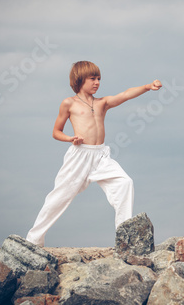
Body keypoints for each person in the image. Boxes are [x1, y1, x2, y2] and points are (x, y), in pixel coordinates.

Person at [26, 61, 162, 246]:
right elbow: (56, 132)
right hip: (79, 156)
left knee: (124, 183)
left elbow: (124, 95)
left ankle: (124, 239)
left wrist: (147, 87)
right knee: (59, 196)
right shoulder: (69, 103)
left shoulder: (102, 103)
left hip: (101, 156)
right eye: (92, 79)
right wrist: (70, 139)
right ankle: (34, 240)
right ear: (80, 79)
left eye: (99, 79)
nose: (97, 82)